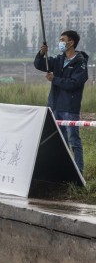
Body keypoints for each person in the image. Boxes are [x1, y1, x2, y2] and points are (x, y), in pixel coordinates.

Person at [35, 30, 89, 172]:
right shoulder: (59, 60)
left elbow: (73, 84)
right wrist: (41, 53)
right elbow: (39, 64)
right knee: (60, 142)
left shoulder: (80, 63)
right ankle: (62, 172)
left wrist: (55, 79)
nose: (60, 42)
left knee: (73, 140)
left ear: (71, 43)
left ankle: (79, 172)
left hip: (69, 108)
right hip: (54, 106)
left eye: (62, 39)